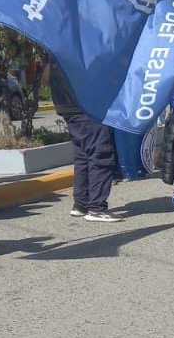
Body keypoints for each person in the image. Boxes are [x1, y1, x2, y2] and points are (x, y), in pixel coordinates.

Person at [48, 58, 122, 223]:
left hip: (68, 105)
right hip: (87, 106)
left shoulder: (61, 47)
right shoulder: (82, 47)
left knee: (83, 155)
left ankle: (81, 204)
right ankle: (96, 208)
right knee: (100, 154)